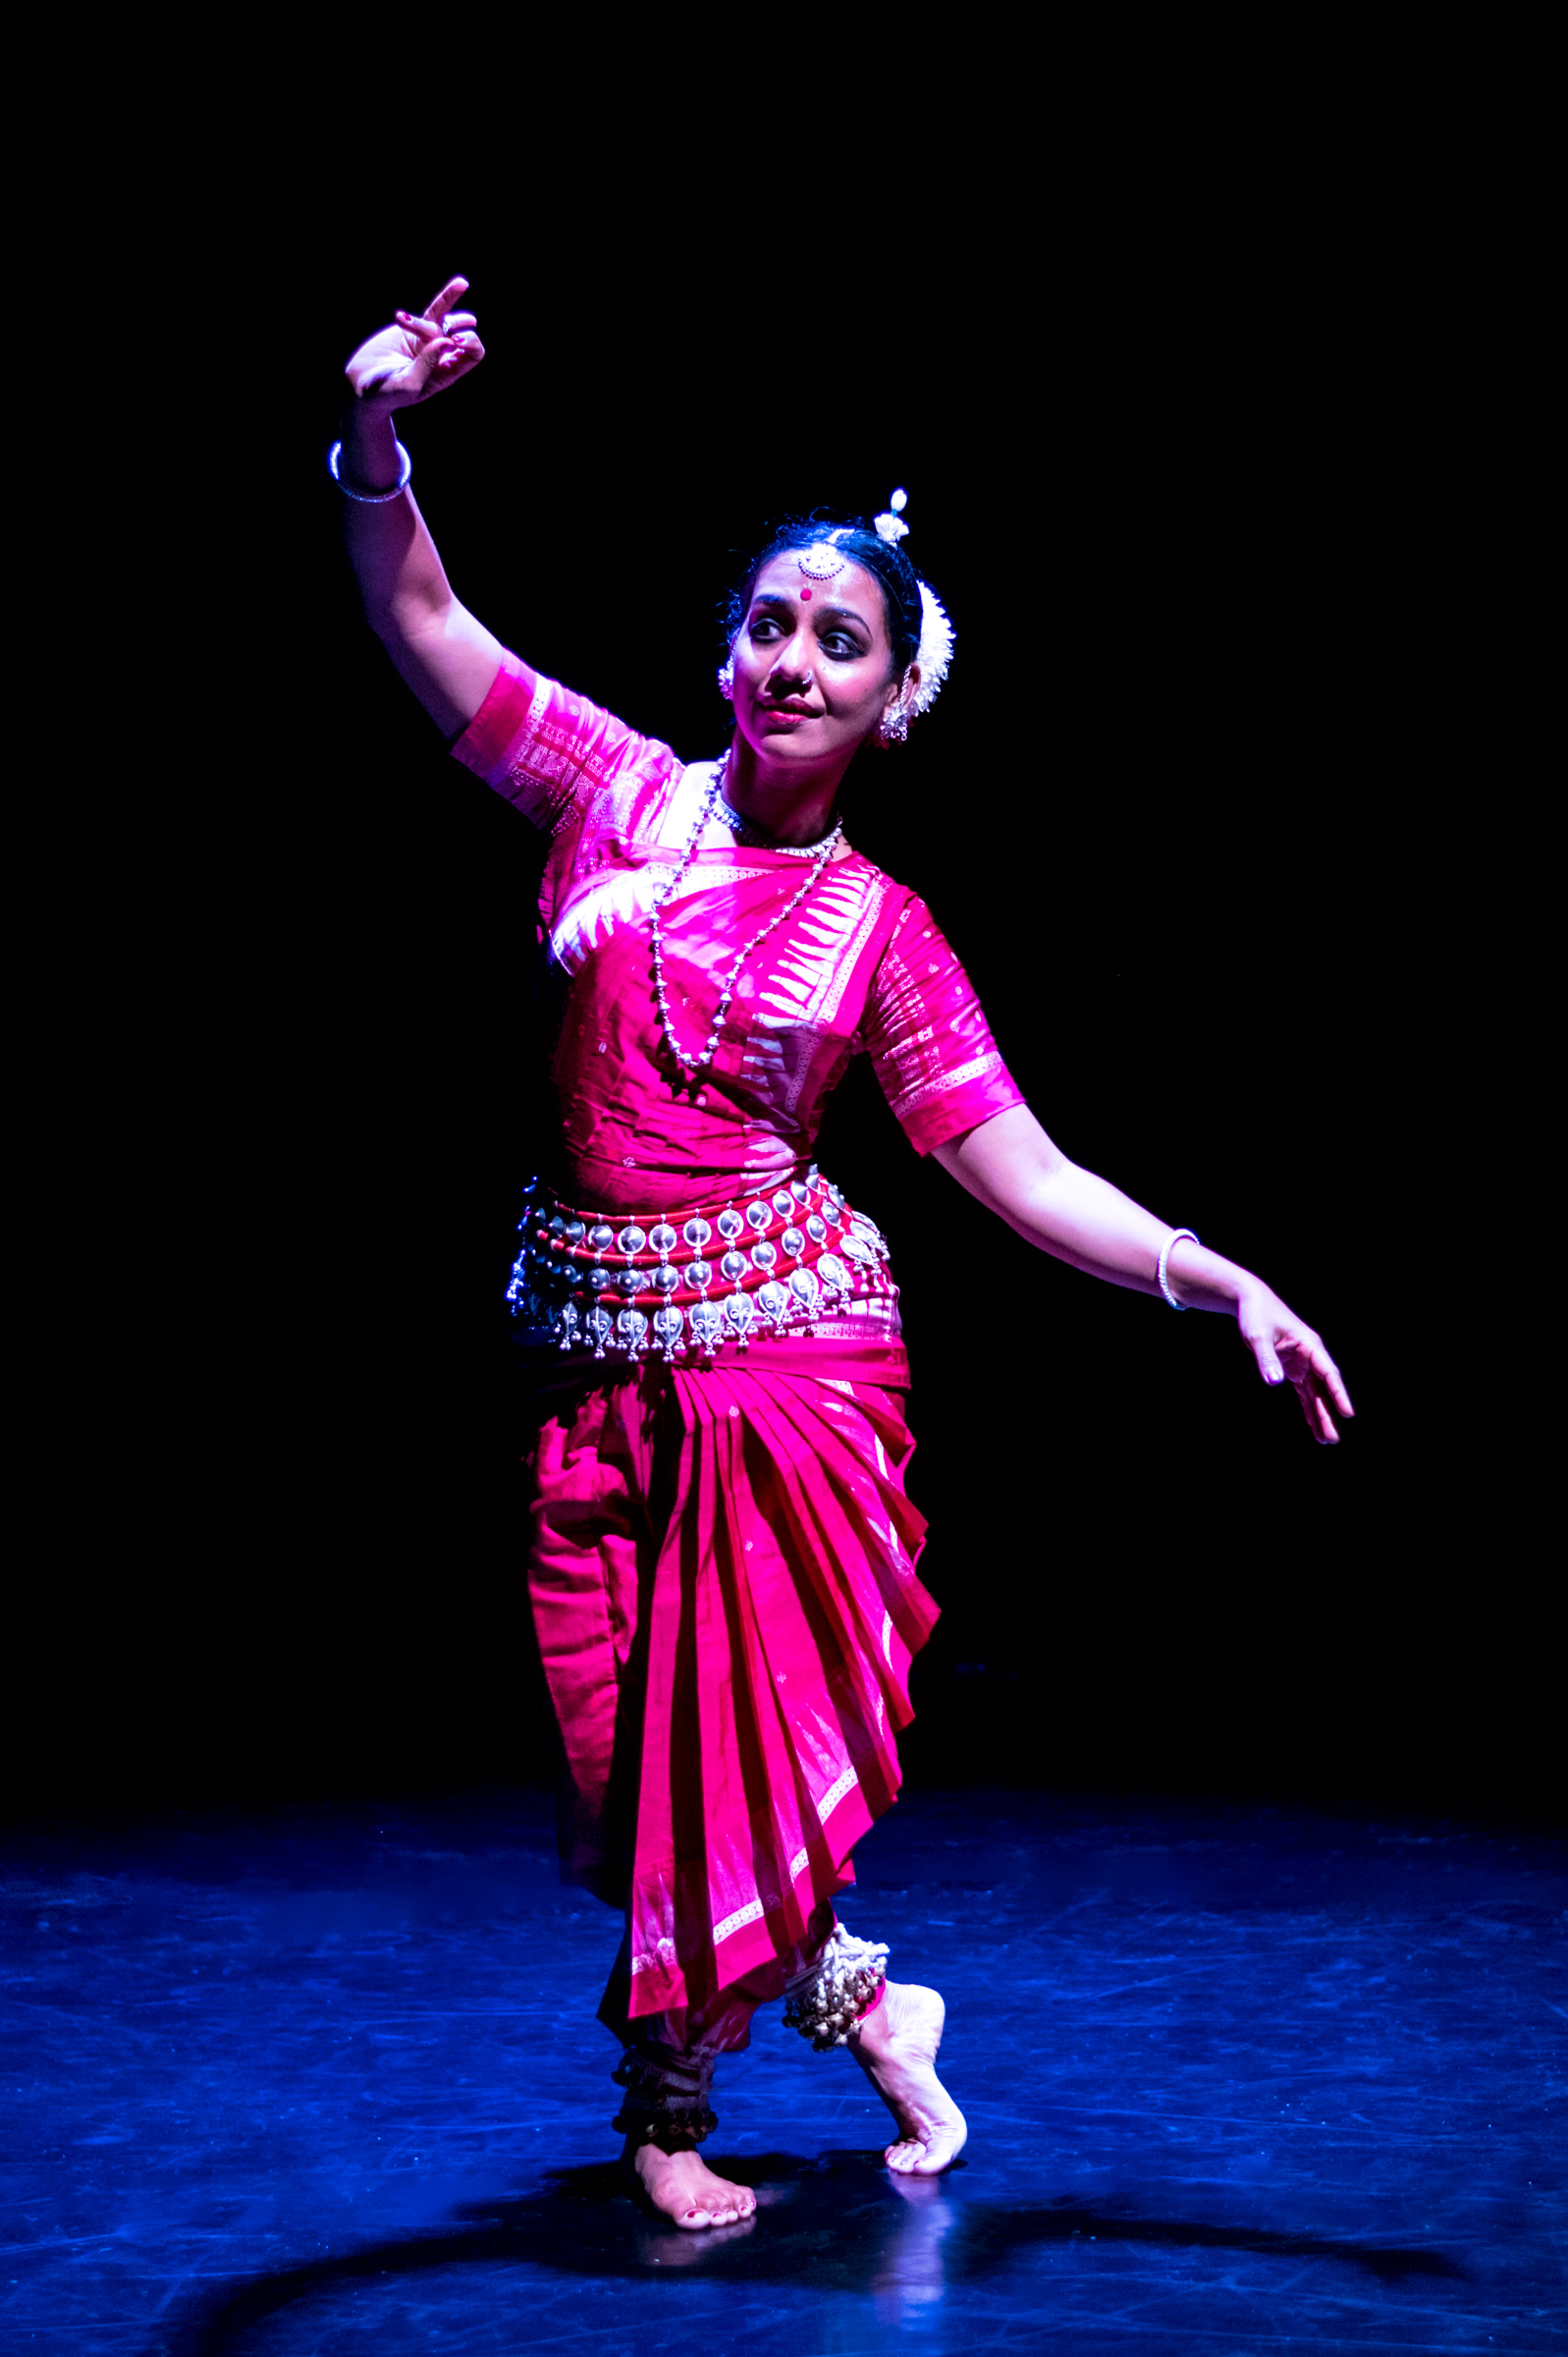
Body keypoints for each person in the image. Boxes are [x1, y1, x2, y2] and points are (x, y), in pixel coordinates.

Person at [335, 278, 1354, 2232]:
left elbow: (1018, 1170)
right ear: (730, 648)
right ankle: (869, 2004)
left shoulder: (879, 932)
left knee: (693, 1759)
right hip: (591, 1346)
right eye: (770, 622)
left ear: (897, 700)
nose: (791, 658)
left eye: (839, 643)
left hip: (781, 1378)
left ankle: (670, 2114)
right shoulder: (607, 792)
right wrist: (378, 445)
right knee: (616, 1744)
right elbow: (422, 622)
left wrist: (1220, 1277)